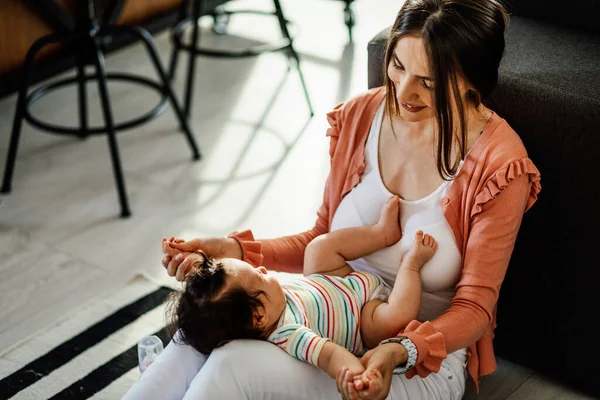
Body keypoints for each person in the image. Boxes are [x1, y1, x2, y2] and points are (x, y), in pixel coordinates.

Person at [124, 0, 541, 398]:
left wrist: (399, 350)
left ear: (472, 81)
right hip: (328, 313)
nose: (403, 90)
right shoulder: (362, 115)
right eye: (397, 65)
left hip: (412, 360)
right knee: (197, 333)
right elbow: (320, 237)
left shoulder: (499, 164)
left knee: (232, 364)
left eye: (427, 81)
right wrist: (233, 251)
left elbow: (475, 307)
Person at [164, 196, 438, 391]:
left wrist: (203, 268)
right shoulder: (288, 333)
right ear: (259, 317)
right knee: (392, 320)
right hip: (364, 316)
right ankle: (411, 265)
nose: (262, 268)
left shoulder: (267, 301)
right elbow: (330, 355)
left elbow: (224, 291)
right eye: (260, 276)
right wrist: (354, 375)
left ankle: (382, 234)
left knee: (317, 250)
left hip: (337, 281)